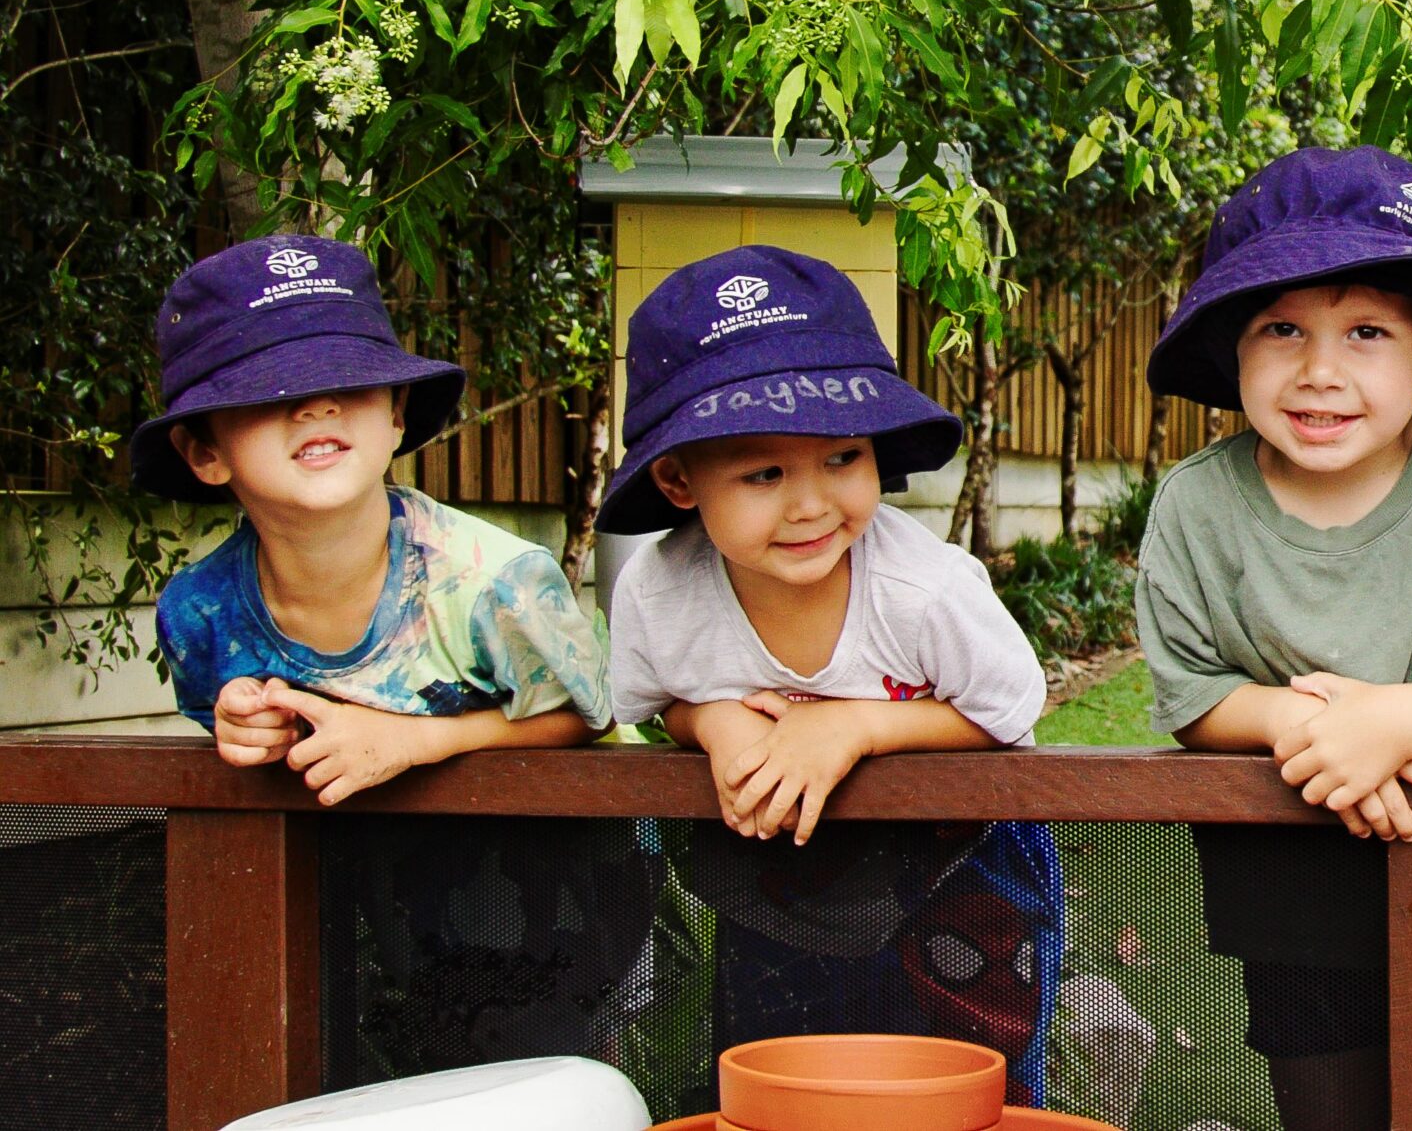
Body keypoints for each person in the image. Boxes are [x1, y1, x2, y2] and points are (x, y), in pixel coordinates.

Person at [1136, 145, 1412, 1131]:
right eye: (1281, 327)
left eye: (1369, 331)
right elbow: (1192, 695)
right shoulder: (1197, 506)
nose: (1319, 370)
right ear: (1232, 351)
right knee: (1327, 1109)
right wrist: (1310, 724)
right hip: (1287, 880)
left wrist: (1394, 721)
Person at [143, 233, 645, 1067]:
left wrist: (416, 740)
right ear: (204, 451)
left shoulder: (497, 583)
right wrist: (241, 731)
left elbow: (589, 722)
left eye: (346, 383)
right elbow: (228, 732)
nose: (315, 408)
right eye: (270, 391)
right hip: (361, 924)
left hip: (562, 915)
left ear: (396, 413)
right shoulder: (201, 615)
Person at [602, 245, 1061, 1104]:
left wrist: (851, 724)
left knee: (971, 1078)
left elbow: (1008, 710)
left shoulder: (923, 590)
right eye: (765, 472)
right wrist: (715, 724)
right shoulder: (662, 592)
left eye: (842, 458)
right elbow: (654, 701)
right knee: (790, 1075)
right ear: (676, 478)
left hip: (964, 863)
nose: (812, 504)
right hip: (783, 867)